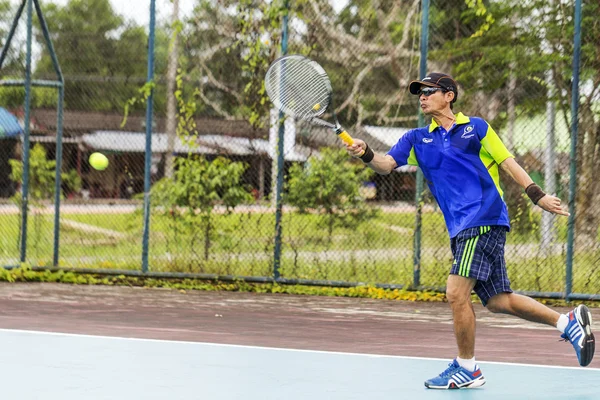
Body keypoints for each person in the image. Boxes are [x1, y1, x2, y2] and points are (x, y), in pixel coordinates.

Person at [345, 72, 596, 389]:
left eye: (429, 91)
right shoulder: (417, 139)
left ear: (449, 95)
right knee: (497, 301)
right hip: (461, 229)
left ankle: (469, 368)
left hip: (484, 218)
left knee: (455, 292)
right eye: (418, 92)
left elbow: (508, 162)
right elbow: (385, 164)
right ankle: (567, 322)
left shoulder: (475, 128)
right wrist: (365, 152)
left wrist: (538, 195)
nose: (421, 96)